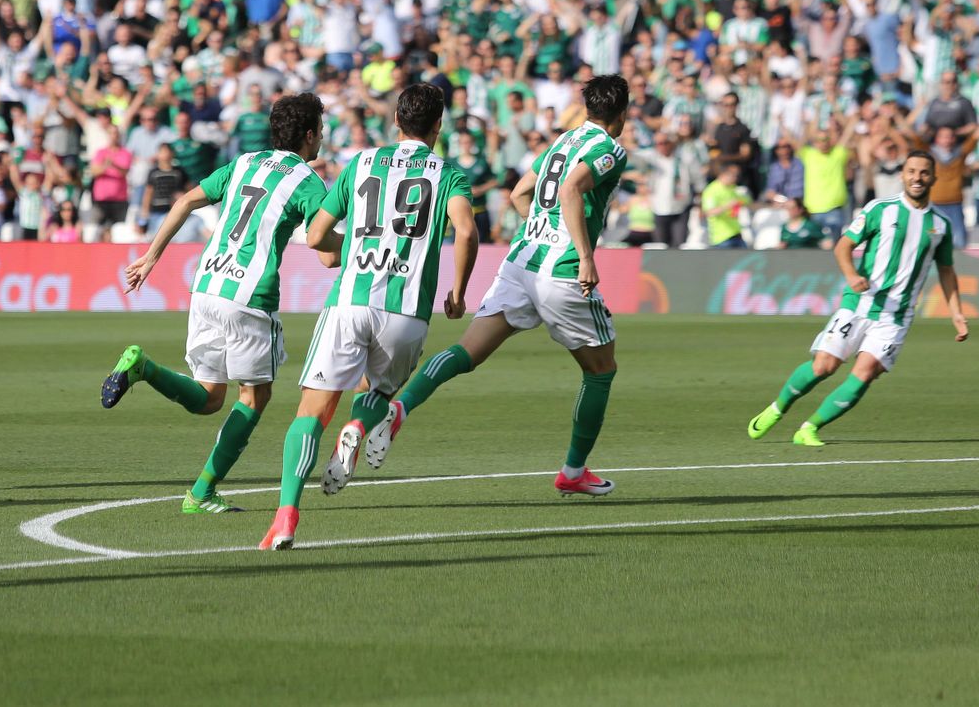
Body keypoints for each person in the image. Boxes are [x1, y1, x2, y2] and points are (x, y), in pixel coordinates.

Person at [367, 74, 629, 498]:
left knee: (465, 352)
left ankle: (399, 407)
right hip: (560, 272)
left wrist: (541, 231)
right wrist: (582, 253)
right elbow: (572, 189)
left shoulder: (561, 142)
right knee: (601, 370)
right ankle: (573, 471)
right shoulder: (610, 149)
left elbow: (519, 193)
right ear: (622, 113)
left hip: (521, 261)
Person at [256, 83, 476, 550]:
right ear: (438, 126)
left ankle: (285, 519)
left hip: (350, 300)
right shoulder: (449, 174)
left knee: (310, 414)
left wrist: (349, 248)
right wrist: (458, 290)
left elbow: (316, 236)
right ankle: (357, 427)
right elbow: (467, 231)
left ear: (395, 121)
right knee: (377, 390)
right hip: (407, 311)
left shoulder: (362, 163)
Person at [101, 94, 332, 515]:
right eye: (321, 128)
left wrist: (152, 255)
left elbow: (186, 200)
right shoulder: (310, 183)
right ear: (310, 134)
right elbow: (327, 252)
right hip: (249, 296)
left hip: (208, 284)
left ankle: (144, 369)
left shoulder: (244, 162)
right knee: (254, 398)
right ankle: (202, 492)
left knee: (210, 398)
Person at [747, 150, 968, 446]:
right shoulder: (880, 209)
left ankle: (809, 428)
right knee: (823, 366)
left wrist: (956, 313)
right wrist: (852, 275)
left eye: (924, 172)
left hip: (897, 315)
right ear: (902, 174)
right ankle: (777, 408)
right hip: (860, 303)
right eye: (912, 171)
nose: (917, 177)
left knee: (865, 373)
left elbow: (947, 271)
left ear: (933, 177)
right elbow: (843, 246)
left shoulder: (940, 224)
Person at [701, 163, 751, 248]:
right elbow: (709, 212)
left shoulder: (732, 188)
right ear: (723, 175)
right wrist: (727, 206)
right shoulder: (711, 190)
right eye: (733, 175)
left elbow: (747, 202)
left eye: (736, 175)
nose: (735, 178)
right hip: (721, 238)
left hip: (737, 234)